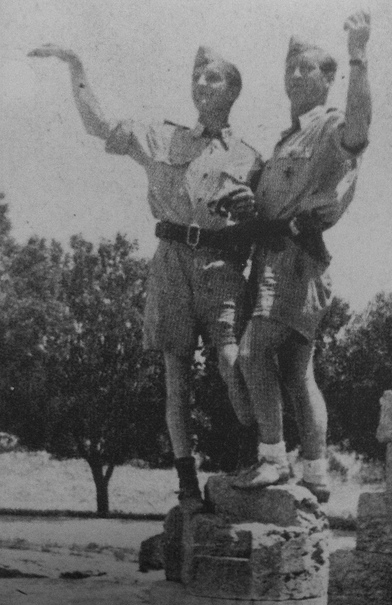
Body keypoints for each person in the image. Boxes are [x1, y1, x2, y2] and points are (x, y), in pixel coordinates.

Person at [28, 44, 262, 510]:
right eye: (196, 76)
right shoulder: (161, 137)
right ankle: (187, 483)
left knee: (232, 362)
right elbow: (98, 125)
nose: (199, 84)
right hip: (172, 261)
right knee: (177, 379)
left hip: (223, 268)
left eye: (212, 78)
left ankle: (250, 466)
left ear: (233, 90)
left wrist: (248, 210)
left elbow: (262, 225)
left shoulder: (251, 158)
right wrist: (77, 67)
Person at [232, 11, 372, 501]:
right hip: (279, 259)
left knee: (252, 353)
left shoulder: (329, 125)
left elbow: (359, 129)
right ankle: (314, 471)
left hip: (295, 259)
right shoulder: (287, 137)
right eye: (290, 67)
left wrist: (358, 57)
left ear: (329, 79)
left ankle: (272, 458)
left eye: (306, 68)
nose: (295, 75)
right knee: (296, 372)